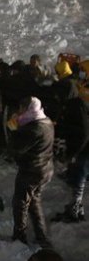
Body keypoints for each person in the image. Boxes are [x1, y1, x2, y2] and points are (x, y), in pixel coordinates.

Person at [8, 96, 54, 247]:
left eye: (22, 109)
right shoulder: (46, 121)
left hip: (31, 171)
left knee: (20, 202)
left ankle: (19, 236)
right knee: (34, 200)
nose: (19, 111)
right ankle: (41, 236)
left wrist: (14, 130)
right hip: (45, 169)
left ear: (29, 109)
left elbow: (16, 149)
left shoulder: (33, 128)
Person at [52, 79, 89, 223]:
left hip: (83, 149)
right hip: (80, 148)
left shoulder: (76, 106)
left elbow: (84, 133)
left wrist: (73, 154)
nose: (56, 96)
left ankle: (74, 211)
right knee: (76, 177)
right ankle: (76, 209)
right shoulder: (71, 104)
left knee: (79, 178)